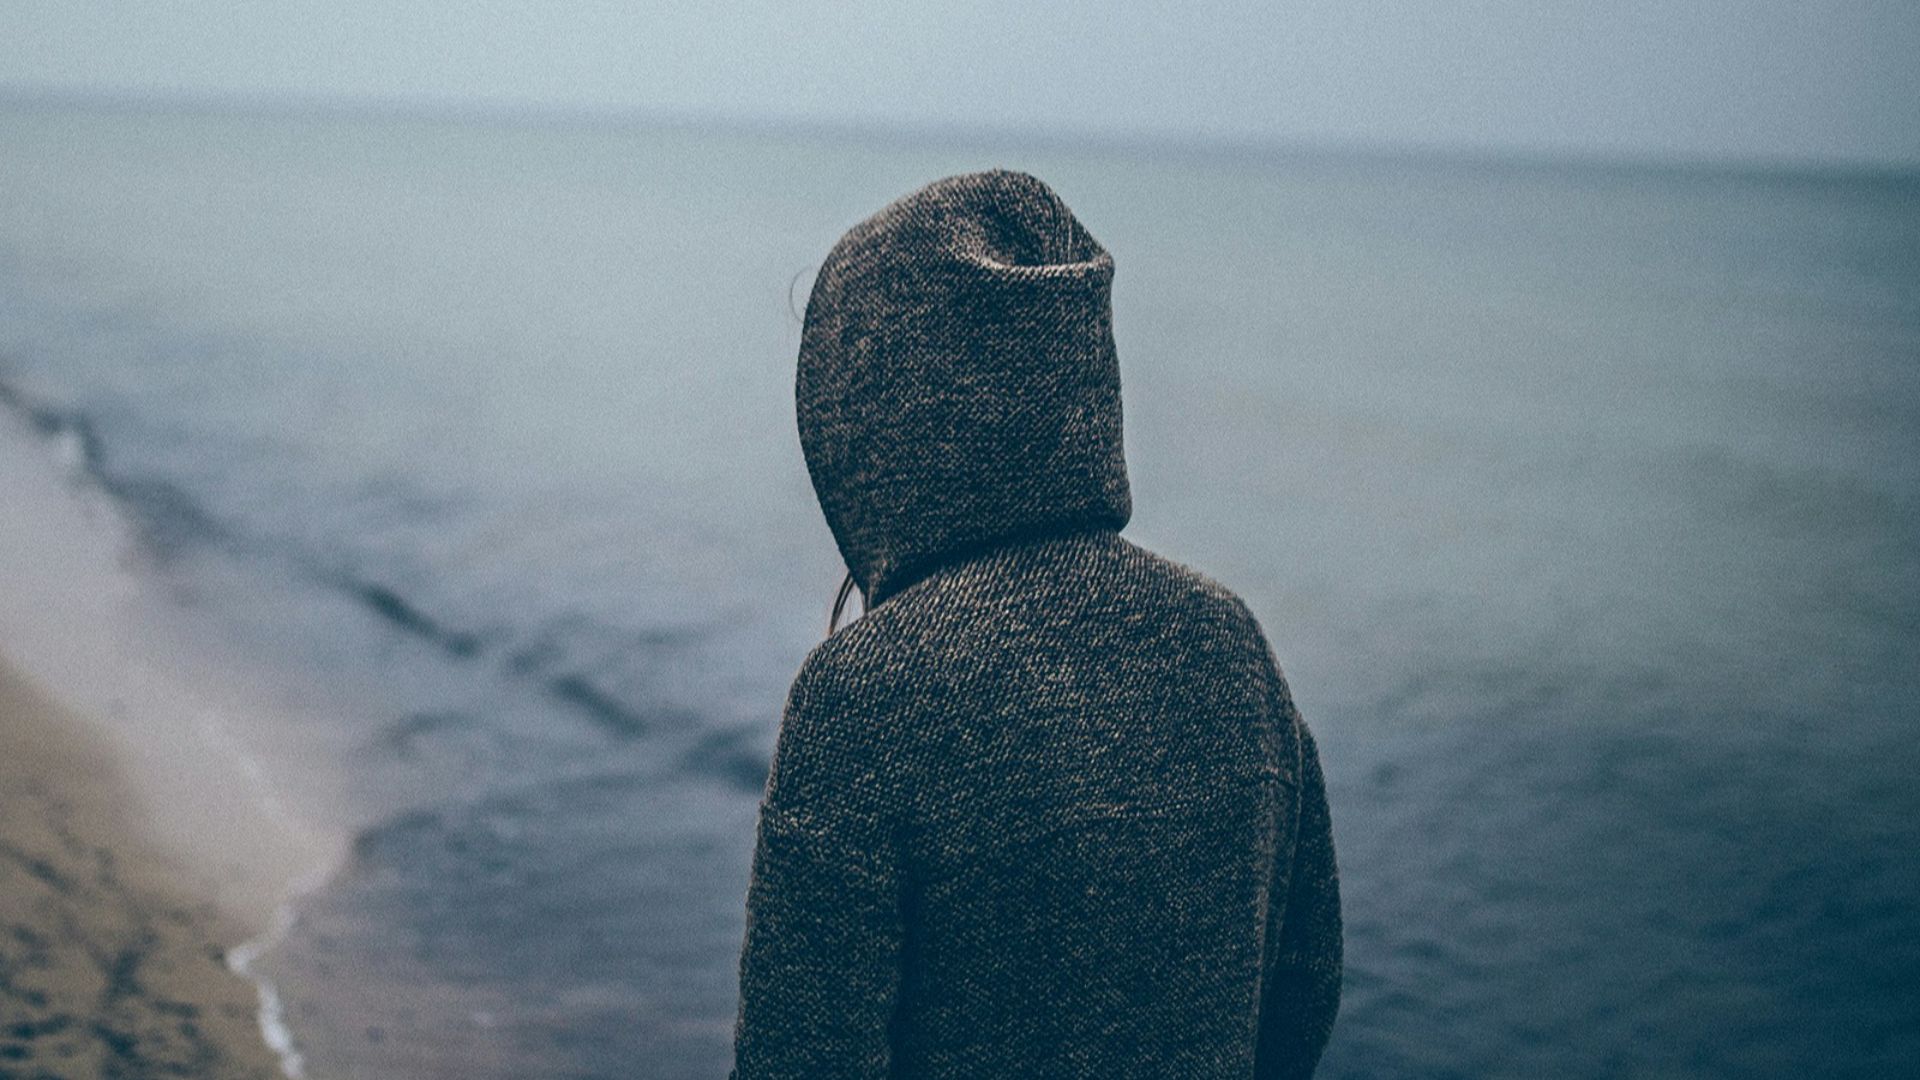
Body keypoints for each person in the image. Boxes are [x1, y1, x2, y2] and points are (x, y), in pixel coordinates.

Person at [731, 170, 1342, 1079]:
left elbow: (800, 1060)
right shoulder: (1231, 646)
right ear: (1081, 379)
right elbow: (1302, 996)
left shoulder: (865, 697)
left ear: (866, 415)